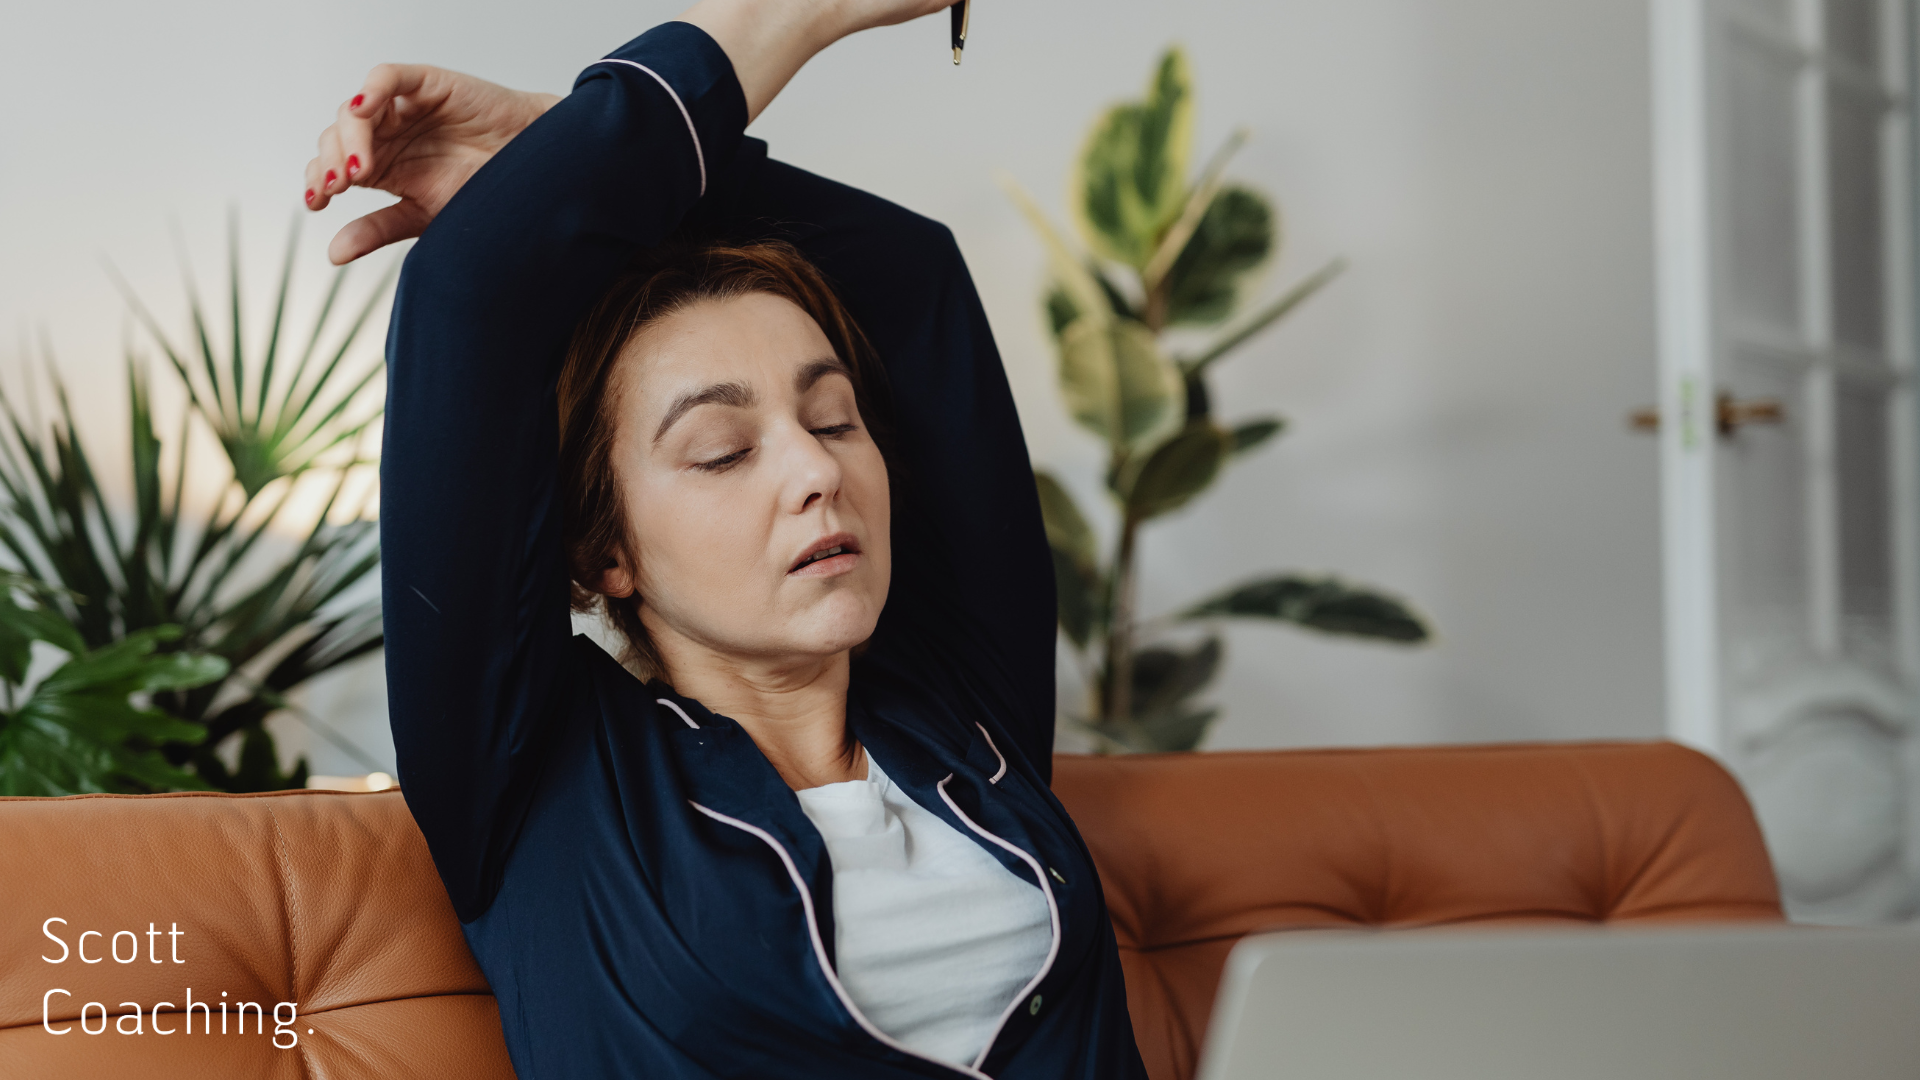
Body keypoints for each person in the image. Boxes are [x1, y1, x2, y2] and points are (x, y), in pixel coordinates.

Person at [302, 1, 1147, 1076]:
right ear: (605, 553)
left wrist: (565, 149)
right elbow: (470, 293)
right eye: (722, 451)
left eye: (833, 421)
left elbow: (913, 280)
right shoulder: (543, 785)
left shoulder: (967, 723)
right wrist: (790, 16)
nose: (816, 471)